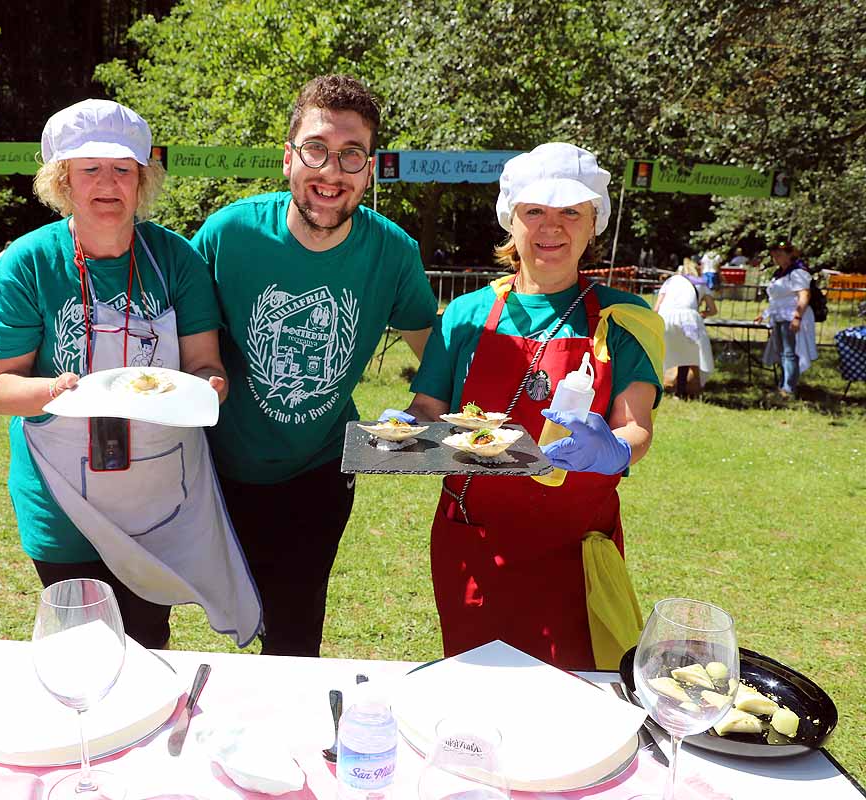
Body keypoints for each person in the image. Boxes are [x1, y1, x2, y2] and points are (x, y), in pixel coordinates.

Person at [0, 99, 261, 650]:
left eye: (122, 169)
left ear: (142, 179)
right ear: (63, 179)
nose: (107, 183)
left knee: (150, 639)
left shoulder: (175, 259)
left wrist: (210, 389)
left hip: (156, 492)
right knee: (81, 651)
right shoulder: (28, 262)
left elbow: (205, 364)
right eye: (90, 169)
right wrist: (54, 390)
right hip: (61, 498)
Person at [192, 75, 438, 657]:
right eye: (317, 150)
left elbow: (437, 352)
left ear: (370, 169)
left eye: (352, 155)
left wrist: (426, 411)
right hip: (216, 469)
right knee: (204, 613)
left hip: (320, 471)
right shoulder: (228, 234)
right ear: (288, 159)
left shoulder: (393, 251)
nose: (332, 171)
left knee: (295, 632)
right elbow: (179, 336)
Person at [405, 142, 663, 670]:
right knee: (477, 695)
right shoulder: (466, 315)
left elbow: (637, 428)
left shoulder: (623, 318)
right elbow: (429, 407)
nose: (553, 227)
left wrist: (611, 450)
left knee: (572, 699)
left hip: (573, 553)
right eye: (535, 211)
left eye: (572, 212)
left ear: (595, 224)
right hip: (471, 543)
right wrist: (405, 432)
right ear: (511, 220)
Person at [756, 241, 816, 397]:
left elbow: (804, 295)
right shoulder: (778, 274)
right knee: (782, 353)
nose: (776, 258)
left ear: (790, 254)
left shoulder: (797, 272)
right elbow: (776, 298)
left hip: (792, 316)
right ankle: (783, 384)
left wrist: (797, 317)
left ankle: (789, 388)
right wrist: (764, 314)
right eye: (774, 255)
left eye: (780, 254)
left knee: (790, 353)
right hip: (779, 316)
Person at [654, 259, 717, 398]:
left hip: (665, 318)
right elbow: (713, 310)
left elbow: (657, 308)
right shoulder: (701, 283)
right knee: (688, 356)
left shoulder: (670, 281)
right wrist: (702, 314)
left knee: (659, 353)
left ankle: (654, 387)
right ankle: (682, 390)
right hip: (690, 320)